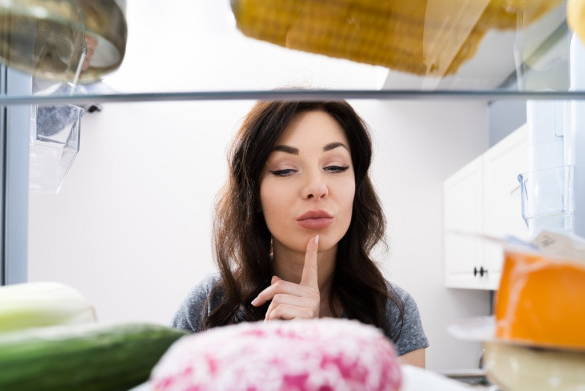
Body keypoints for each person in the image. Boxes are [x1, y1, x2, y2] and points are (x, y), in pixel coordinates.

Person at [172, 99, 428, 367]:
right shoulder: (208, 307)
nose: (317, 187)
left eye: (335, 167)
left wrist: (316, 350)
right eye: (285, 170)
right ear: (254, 195)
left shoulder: (393, 311)